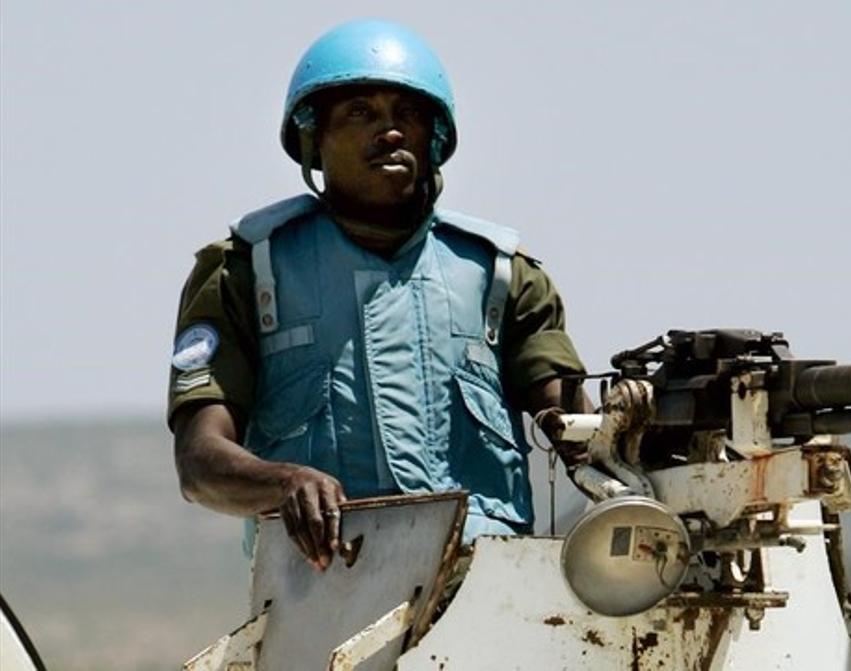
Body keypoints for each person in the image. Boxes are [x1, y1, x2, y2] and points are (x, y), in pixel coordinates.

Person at [168, 19, 587, 571]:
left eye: (408, 114)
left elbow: (582, 430)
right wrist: (285, 483)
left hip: (485, 590)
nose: (390, 131)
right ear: (313, 139)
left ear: (434, 140)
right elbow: (199, 463)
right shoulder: (248, 270)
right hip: (319, 589)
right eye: (360, 112)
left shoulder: (500, 274)